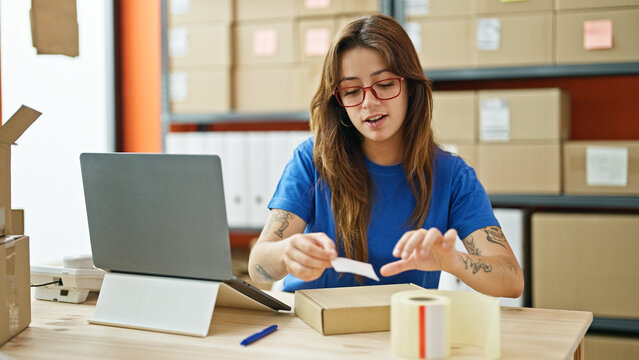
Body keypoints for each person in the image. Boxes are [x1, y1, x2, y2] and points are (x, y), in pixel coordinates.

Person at [248, 14, 524, 298]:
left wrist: (452, 260)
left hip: (401, 329)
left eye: (386, 84)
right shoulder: (313, 160)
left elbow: (511, 280)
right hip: (315, 328)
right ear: (338, 101)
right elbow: (258, 269)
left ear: (410, 88)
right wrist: (286, 253)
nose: (369, 102)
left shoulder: (452, 175)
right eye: (352, 91)